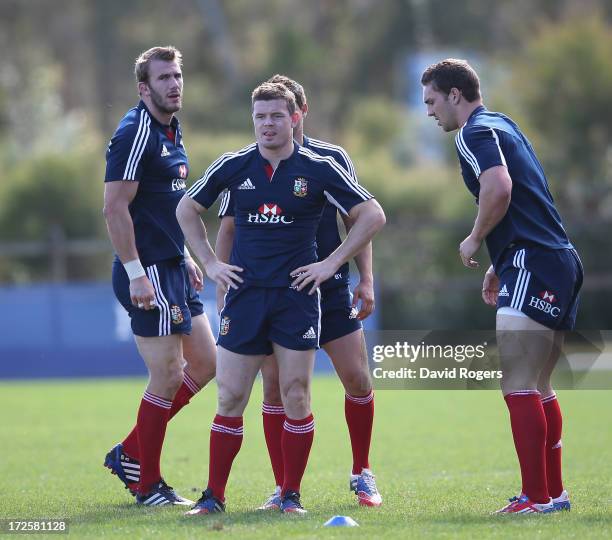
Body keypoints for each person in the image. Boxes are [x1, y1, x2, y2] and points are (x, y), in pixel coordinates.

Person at [177, 82, 386, 515]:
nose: (267, 124)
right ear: (252, 119)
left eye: (276, 116)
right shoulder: (234, 166)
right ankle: (217, 496)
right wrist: (213, 265)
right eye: (260, 116)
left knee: (311, 389)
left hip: (305, 296)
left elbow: (368, 216)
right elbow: (190, 210)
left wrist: (336, 266)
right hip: (248, 297)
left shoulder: (323, 165)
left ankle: (307, 489)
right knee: (234, 395)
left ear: (295, 116)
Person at [421, 59, 583, 514]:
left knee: (516, 382)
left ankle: (534, 497)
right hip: (554, 258)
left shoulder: (474, 133)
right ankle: (553, 495)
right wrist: (501, 257)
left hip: (534, 258)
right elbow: (531, 196)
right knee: (539, 384)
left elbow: (500, 188)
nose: (429, 111)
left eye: (432, 101)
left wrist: (475, 238)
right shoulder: (502, 123)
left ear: (455, 95)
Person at [102, 46, 217, 506]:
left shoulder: (172, 128)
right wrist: (135, 273)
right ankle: (147, 483)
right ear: (143, 87)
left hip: (171, 266)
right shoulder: (134, 132)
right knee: (167, 375)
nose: (174, 84)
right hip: (146, 271)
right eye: (164, 77)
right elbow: (114, 208)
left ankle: (131, 450)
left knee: (206, 364)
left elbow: (166, 204)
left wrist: (185, 254)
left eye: (177, 75)